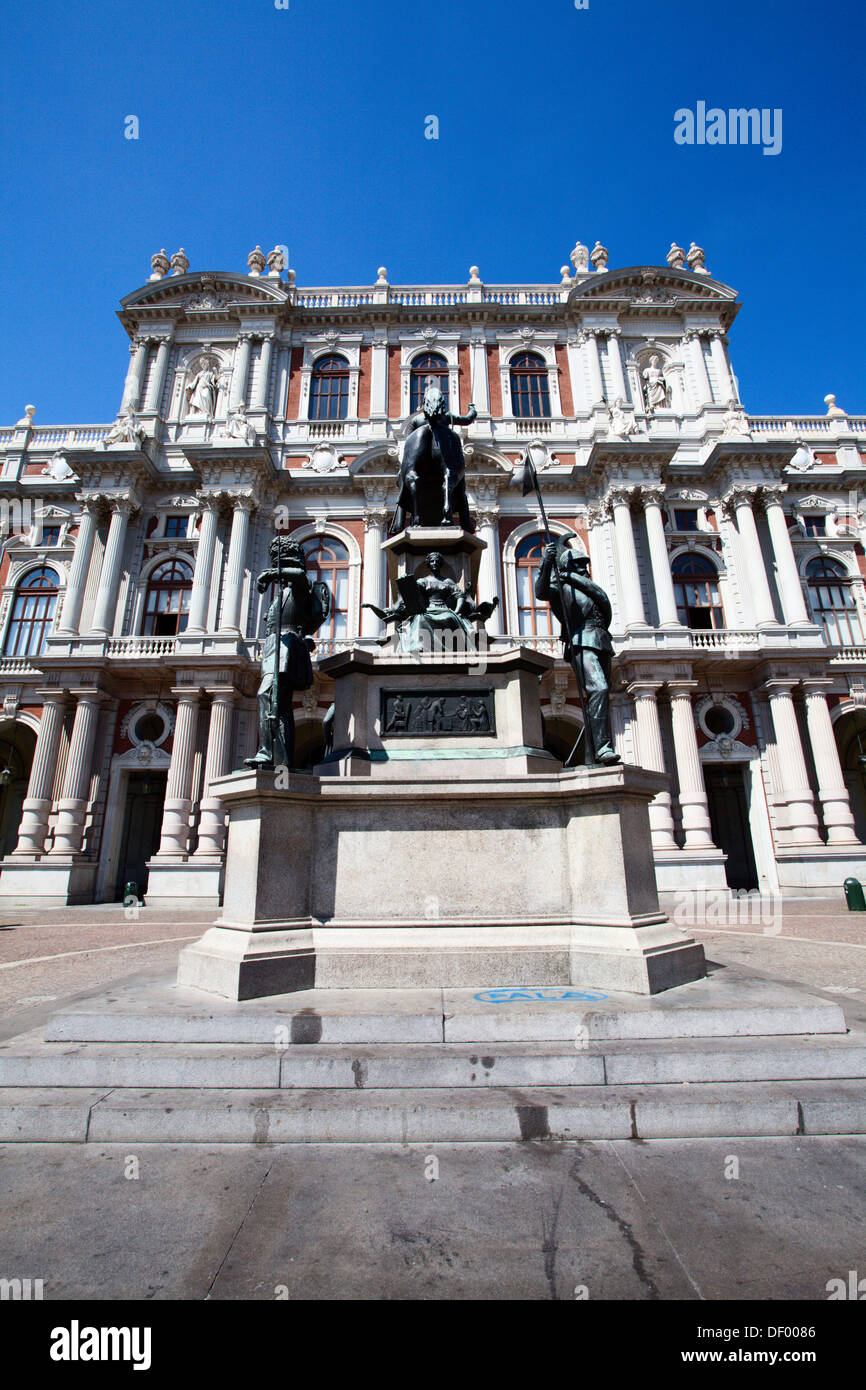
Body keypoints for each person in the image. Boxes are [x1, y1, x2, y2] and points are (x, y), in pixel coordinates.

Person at [534, 536, 620, 766]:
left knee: (599, 697)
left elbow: (604, 609)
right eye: (579, 564)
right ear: (567, 566)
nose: (584, 568)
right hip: (581, 641)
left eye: (585, 564)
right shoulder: (561, 586)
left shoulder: (589, 587)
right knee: (598, 688)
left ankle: (595, 753)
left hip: (602, 641)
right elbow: (540, 592)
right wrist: (545, 562)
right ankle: (602, 748)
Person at [246, 537, 330, 770]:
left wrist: (270, 574)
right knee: (276, 703)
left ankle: (269, 754)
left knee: (268, 695)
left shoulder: (299, 589)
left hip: (287, 647)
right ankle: (278, 757)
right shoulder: (282, 594)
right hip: (274, 647)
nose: (278, 570)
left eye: (281, 564)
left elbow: (301, 577)